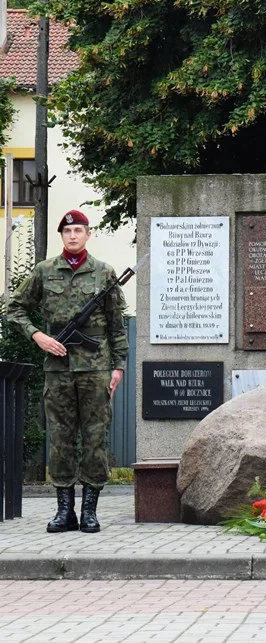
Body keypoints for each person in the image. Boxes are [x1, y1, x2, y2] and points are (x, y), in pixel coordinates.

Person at [8, 209, 128, 532]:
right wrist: (39, 336)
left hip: (96, 369)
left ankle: (90, 510)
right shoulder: (45, 272)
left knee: (95, 438)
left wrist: (118, 366)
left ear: (88, 234)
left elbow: (117, 324)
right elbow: (14, 308)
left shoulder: (104, 273)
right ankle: (65, 511)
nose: (73, 235)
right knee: (60, 440)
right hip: (58, 370)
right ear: (61, 236)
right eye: (67, 231)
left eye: (78, 230)